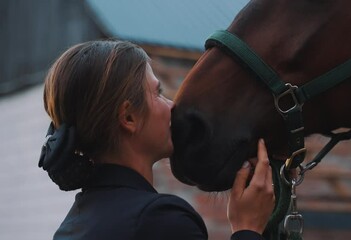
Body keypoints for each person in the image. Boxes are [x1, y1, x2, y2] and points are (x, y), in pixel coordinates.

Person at [38, 39, 275, 240]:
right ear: (129, 117)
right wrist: (247, 228)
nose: (171, 106)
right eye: (158, 93)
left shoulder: (71, 226)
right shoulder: (161, 220)